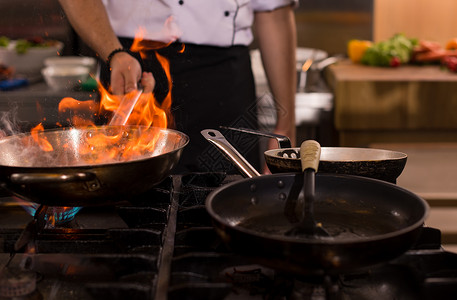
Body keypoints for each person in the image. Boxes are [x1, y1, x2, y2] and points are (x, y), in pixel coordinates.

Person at [58, 0, 297, 174]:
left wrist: (286, 124)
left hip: (222, 83)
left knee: (233, 204)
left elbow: (274, 13)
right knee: (125, 209)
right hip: (129, 68)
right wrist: (113, 52)